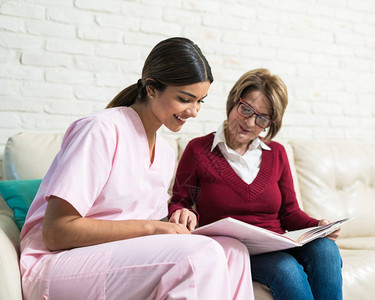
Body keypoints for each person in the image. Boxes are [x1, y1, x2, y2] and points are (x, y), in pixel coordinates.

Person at [19, 37, 254, 300]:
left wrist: (175, 221)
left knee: (233, 250)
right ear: (152, 89)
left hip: (115, 257)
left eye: (201, 101)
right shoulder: (101, 130)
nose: (194, 111)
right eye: (185, 99)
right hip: (57, 263)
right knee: (200, 253)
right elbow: (56, 232)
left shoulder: (164, 152)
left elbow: (137, 224)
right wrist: (153, 228)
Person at [169, 68, 343, 300]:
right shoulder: (198, 150)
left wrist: (318, 226)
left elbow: (289, 212)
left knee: (326, 250)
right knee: (286, 269)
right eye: (246, 109)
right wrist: (182, 212)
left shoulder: (277, 153)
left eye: (262, 118)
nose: (250, 122)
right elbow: (180, 202)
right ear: (233, 101)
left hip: (276, 242)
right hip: (234, 249)